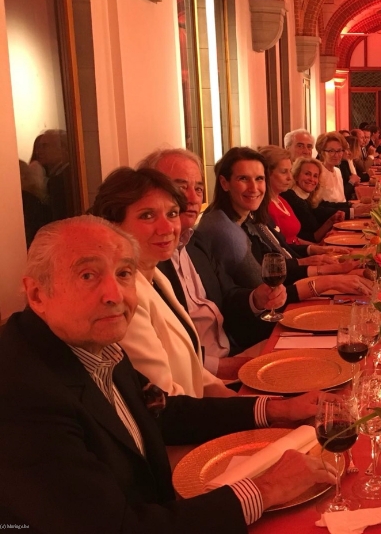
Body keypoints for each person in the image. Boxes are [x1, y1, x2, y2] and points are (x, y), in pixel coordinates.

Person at [0, 217, 335, 533]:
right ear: (37, 294)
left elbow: (161, 411)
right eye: (88, 275)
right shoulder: (22, 396)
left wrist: (277, 409)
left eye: (124, 273)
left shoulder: (92, 343)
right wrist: (267, 489)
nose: (114, 295)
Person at [89, 167, 236, 397]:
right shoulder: (119, 297)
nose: (168, 228)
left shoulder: (157, 276)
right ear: (113, 224)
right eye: (147, 215)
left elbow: (192, 369)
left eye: (172, 213)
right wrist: (256, 410)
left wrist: (238, 400)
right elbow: (165, 396)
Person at [139, 149, 282, 375]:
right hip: (202, 375)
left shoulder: (195, 243)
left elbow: (228, 294)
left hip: (234, 351)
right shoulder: (145, 261)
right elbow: (163, 351)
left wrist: (256, 298)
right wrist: (228, 368)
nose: (193, 198)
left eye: (198, 189)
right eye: (180, 187)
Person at [196, 147, 370, 303]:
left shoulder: (245, 216)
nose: (254, 188)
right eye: (243, 179)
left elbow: (278, 265)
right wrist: (327, 280)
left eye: (259, 179)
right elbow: (267, 291)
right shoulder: (223, 228)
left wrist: (330, 269)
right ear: (224, 183)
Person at [282, 157, 346, 242]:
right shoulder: (291, 197)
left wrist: (331, 221)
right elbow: (309, 238)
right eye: (307, 174)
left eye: (315, 176)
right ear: (296, 176)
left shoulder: (308, 198)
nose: (312, 179)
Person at [315, 132, 348, 203]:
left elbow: (342, 200)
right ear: (322, 152)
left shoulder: (337, 171)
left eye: (339, 150)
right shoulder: (318, 172)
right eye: (331, 151)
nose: (336, 155)